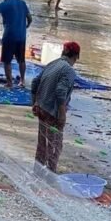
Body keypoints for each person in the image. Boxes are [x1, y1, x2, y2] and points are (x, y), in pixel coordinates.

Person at [30, 40, 79, 174]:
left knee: (42, 142)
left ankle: (38, 169)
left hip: (42, 108)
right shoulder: (68, 70)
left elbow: (35, 82)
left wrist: (34, 102)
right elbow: (60, 92)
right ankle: (51, 171)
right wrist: (62, 115)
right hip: (53, 112)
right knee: (55, 144)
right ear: (75, 57)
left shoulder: (53, 63)